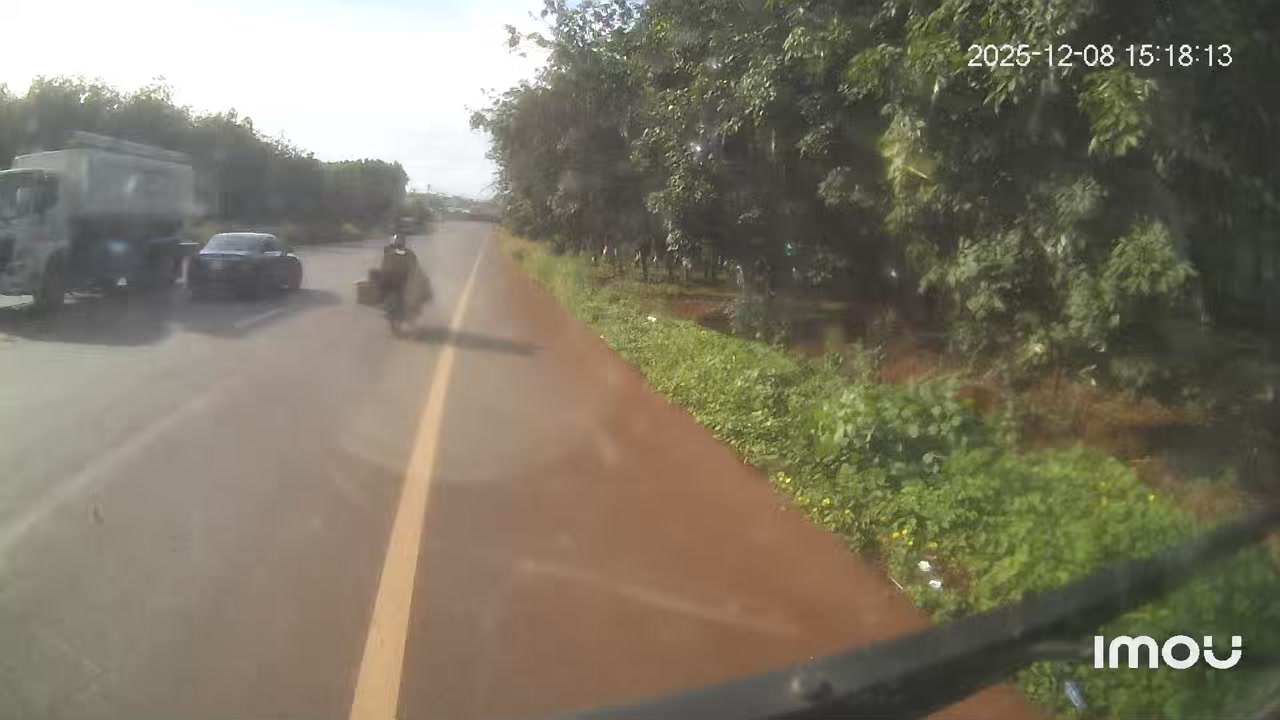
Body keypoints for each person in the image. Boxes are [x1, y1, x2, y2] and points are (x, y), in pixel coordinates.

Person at [379, 235, 431, 328]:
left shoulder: (390, 252)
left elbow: (415, 267)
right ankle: (392, 311)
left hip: (396, 281)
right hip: (393, 282)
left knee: (405, 296)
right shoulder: (404, 253)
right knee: (399, 296)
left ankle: (395, 312)